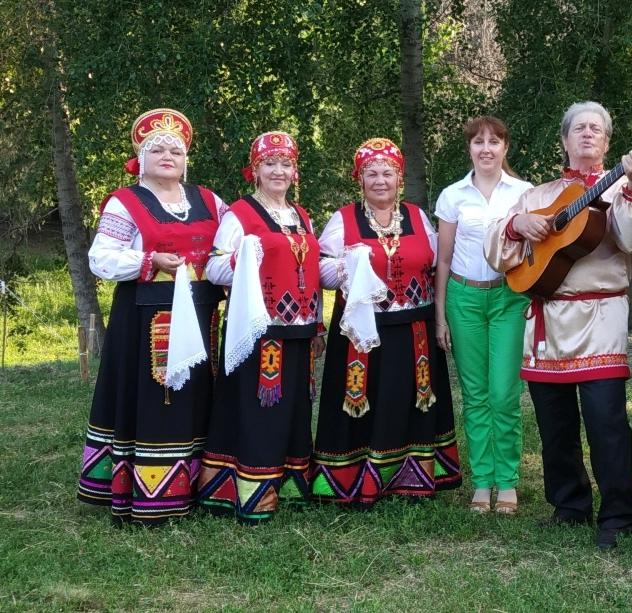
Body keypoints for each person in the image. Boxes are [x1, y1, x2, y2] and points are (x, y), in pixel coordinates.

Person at [485, 101, 632, 549]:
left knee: (606, 421)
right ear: (563, 140)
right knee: (554, 423)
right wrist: (517, 224)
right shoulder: (538, 195)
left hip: (600, 316)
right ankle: (570, 506)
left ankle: (618, 513)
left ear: (607, 142)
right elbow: (498, 253)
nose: (587, 134)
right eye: (578, 128)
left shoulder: (620, 187)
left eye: (596, 129)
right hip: (546, 319)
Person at [78, 108, 225, 524]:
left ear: (186, 160)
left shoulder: (210, 200)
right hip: (146, 316)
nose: (166, 155)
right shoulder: (126, 202)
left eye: (174, 150)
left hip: (200, 311)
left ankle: (199, 486)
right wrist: (148, 260)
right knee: (156, 398)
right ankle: (148, 493)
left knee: (198, 393)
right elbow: (101, 258)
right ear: (139, 160)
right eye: (156, 149)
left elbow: (231, 247)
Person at [310, 137, 462, 505]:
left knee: (412, 401)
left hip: (415, 331)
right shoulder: (343, 219)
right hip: (362, 333)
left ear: (399, 178)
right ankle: (354, 479)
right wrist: (349, 266)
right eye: (372, 174)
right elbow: (320, 270)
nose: (381, 180)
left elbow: (436, 262)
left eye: (388, 173)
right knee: (364, 400)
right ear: (359, 180)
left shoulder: (417, 217)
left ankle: (410, 479)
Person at [197, 131, 325, 523]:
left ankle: (289, 485)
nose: (279, 171)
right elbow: (213, 267)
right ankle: (252, 493)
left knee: (294, 408)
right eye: (270, 163)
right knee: (260, 409)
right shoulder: (240, 214)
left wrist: (318, 324)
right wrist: (243, 256)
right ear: (255, 170)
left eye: (286, 164)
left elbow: (312, 272)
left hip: (300, 329)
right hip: (259, 330)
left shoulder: (301, 216)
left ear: (295, 171)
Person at [434, 117, 532, 514]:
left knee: (504, 394)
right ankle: (482, 481)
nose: (486, 148)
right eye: (478, 142)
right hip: (464, 299)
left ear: (506, 147)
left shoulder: (525, 193)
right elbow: (442, 259)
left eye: (494, 141)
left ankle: (507, 482)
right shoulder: (453, 195)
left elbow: (536, 252)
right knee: (475, 395)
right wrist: (440, 316)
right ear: (469, 149)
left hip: (509, 298)